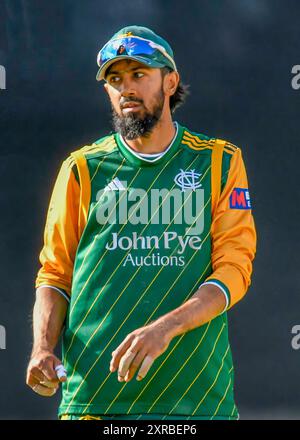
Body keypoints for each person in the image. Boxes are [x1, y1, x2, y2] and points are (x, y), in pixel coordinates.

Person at [26, 25, 256, 420]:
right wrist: (42, 348)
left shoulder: (219, 162)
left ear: (170, 82)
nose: (126, 88)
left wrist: (165, 328)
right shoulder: (82, 169)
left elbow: (235, 270)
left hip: (196, 401)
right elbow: (54, 274)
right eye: (115, 79)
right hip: (95, 400)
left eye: (138, 75)